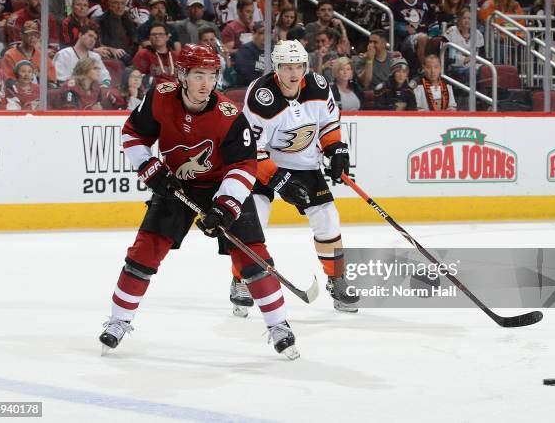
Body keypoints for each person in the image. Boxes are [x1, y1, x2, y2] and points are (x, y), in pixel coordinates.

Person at [98, 43, 299, 360]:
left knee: (254, 257)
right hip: (176, 186)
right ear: (182, 75)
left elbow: (244, 165)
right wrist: (148, 166)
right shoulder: (160, 97)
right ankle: (119, 320)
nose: (206, 84)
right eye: (198, 75)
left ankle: (278, 325)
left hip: (222, 187)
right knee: (143, 251)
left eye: (211, 75)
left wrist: (226, 205)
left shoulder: (228, 116)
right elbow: (133, 133)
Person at [227, 40, 360, 316]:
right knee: (254, 220)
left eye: (299, 66)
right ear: (276, 68)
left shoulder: (319, 86)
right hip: (263, 165)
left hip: (304, 163)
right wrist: (278, 180)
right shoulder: (261, 96)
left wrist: (336, 149)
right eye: (287, 67)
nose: (294, 72)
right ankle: (240, 280)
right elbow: (253, 148)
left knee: (327, 217)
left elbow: (327, 124)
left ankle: (336, 280)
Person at [1, 20, 57, 84]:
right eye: (29, 34)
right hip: (19, 91)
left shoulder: (42, 55)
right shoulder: (10, 55)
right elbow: (8, 81)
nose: (33, 38)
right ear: (21, 35)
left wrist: (40, 75)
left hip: (39, 91)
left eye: (36, 35)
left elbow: (53, 80)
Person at [443, 6, 484, 82]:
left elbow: (482, 55)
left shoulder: (478, 34)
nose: (467, 21)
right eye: (464, 18)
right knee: (474, 72)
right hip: (456, 67)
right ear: (459, 19)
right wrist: (464, 59)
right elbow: (447, 57)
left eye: (469, 18)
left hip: (475, 66)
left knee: (487, 71)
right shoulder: (451, 32)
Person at [234, 21, 265, 86]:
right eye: (261, 33)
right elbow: (247, 76)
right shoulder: (245, 50)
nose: (265, 36)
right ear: (253, 33)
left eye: (268, 33)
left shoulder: (272, 49)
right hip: (247, 89)